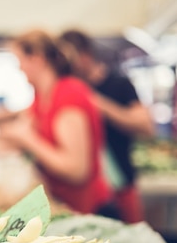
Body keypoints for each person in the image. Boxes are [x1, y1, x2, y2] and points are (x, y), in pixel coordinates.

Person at [0, 29, 113, 216]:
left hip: (86, 209)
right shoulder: (42, 98)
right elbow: (17, 133)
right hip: (62, 204)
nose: (19, 68)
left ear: (37, 58)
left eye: (20, 61)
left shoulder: (69, 93)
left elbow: (76, 170)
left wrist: (27, 139)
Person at [59, 29, 155, 223]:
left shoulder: (119, 83)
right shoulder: (67, 88)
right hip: (86, 192)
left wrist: (94, 102)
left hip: (120, 185)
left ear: (85, 55)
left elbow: (146, 126)